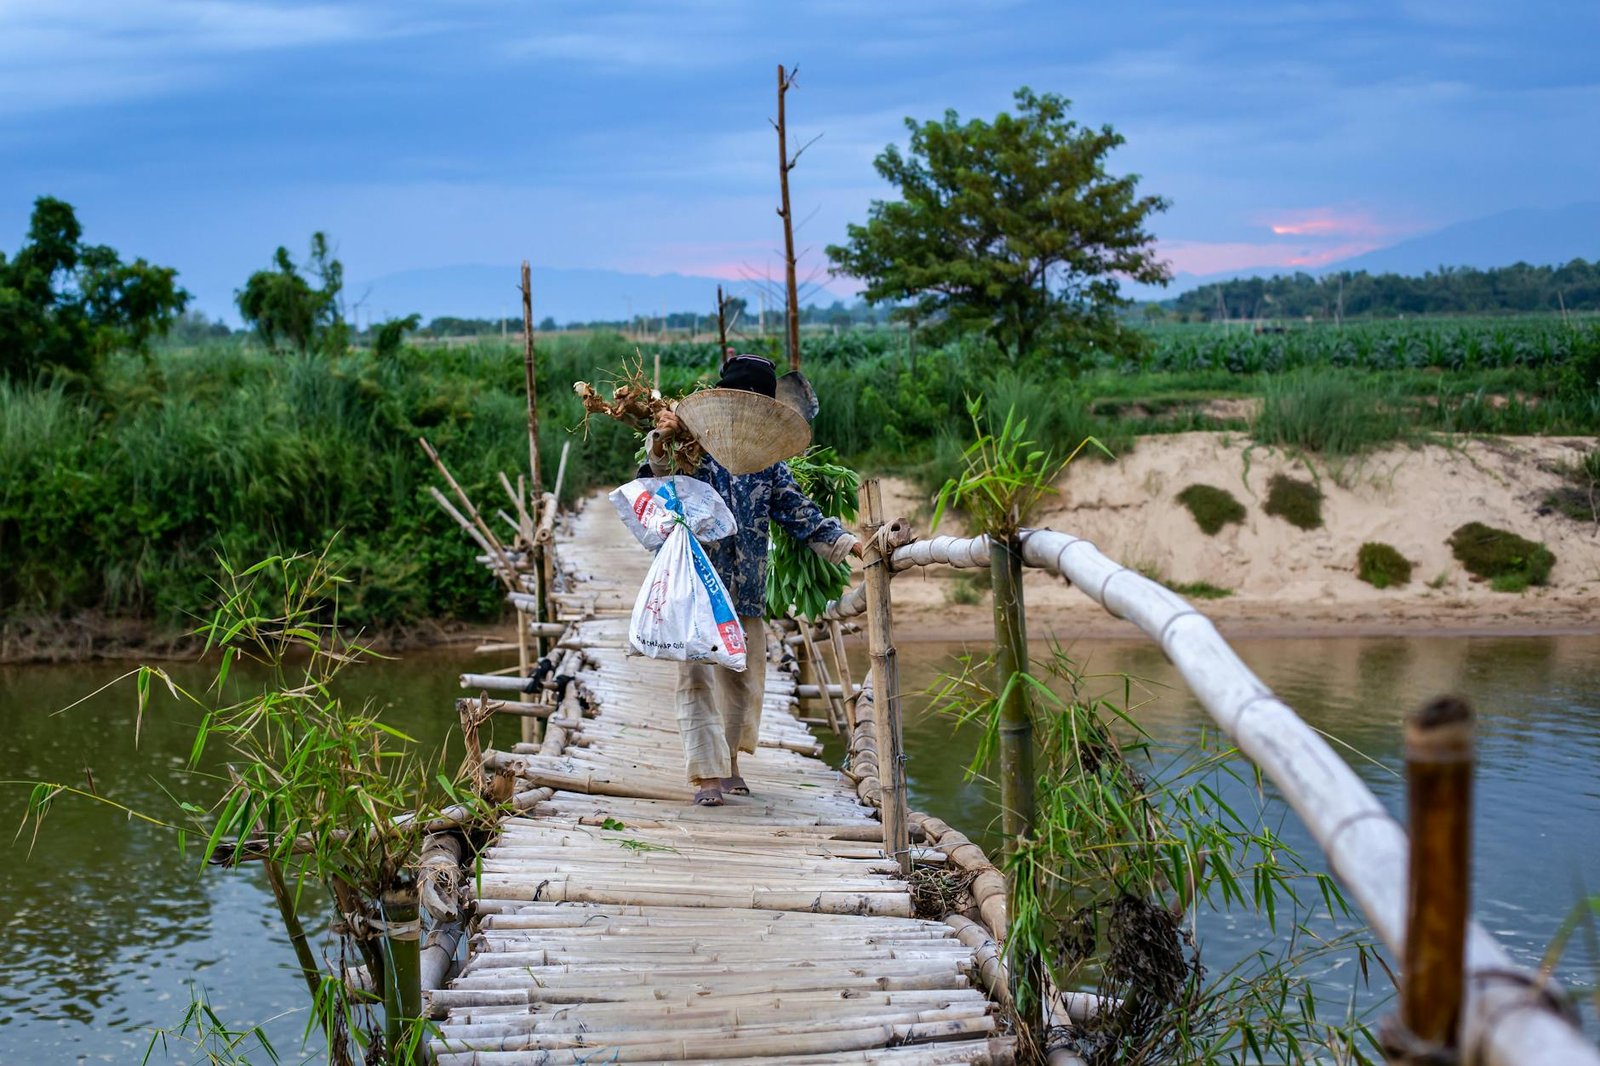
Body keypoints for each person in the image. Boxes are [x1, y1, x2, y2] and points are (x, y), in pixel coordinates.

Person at [643, 354, 863, 806]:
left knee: (742, 678)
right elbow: (653, 487)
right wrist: (661, 447)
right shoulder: (691, 448)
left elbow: (798, 512)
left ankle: (730, 764)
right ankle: (706, 775)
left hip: (745, 588)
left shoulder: (767, 463)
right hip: (697, 587)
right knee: (698, 678)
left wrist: (849, 543)